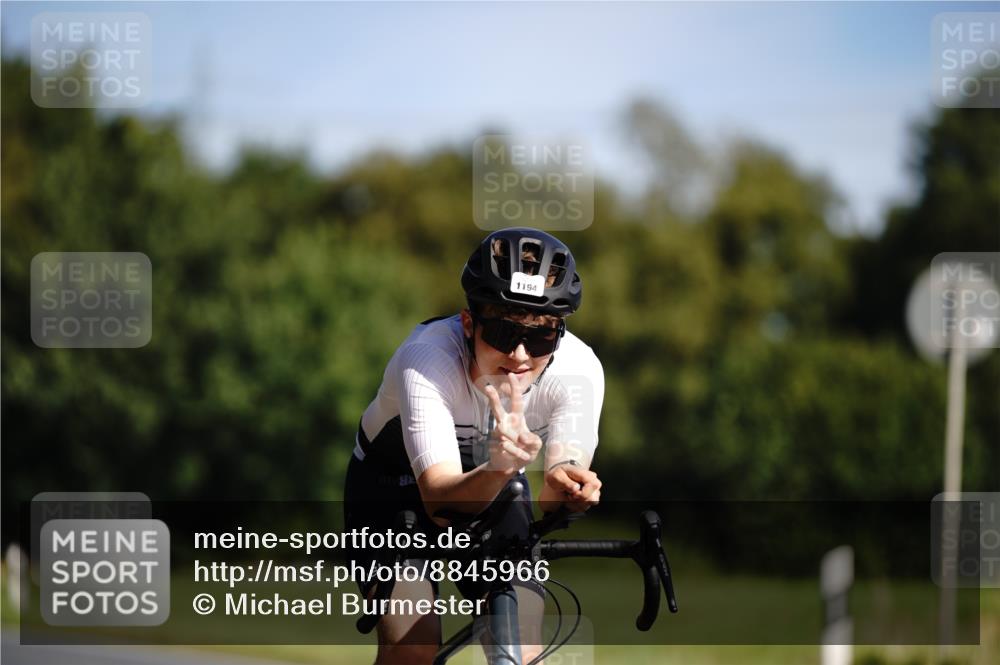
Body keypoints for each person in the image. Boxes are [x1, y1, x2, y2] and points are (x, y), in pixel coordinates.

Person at [344, 227, 605, 665]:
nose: (520, 355)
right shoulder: (427, 358)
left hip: (497, 488)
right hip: (394, 488)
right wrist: (500, 467)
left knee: (520, 646)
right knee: (414, 645)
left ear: (559, 334)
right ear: (469, 323)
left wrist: (568, 488)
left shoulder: (579, 370)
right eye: (502, 333)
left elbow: (553, 489)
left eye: (540, 338)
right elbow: (439, 500)